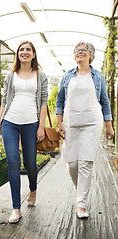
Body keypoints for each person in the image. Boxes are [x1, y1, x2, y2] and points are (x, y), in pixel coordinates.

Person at [56, 41, 114, 219]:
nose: (79, 52)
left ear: (91, 54)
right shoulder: (67, 76)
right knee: (72, 164)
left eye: (83, 50)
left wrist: (109, 125)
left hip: (91, 123)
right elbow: (60, 101)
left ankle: (81, 204)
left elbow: (104, 101)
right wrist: (59, 124)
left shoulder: (98, 76)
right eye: (77, 50)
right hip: (71, 123)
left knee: (85, 163)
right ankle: (80, 189)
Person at [0, 40, 48, 223]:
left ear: (33, 54)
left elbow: (43, 102)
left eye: (28, 50)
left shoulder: (40, 75)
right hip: (10, 122)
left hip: (31, 124)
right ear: (18, 54)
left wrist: (41, 126)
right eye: (21, 50)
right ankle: (16, 208)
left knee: (30, 163)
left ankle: (33, 188)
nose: (24, 52)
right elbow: (4, 102)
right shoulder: (11, 75)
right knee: (13, 162)